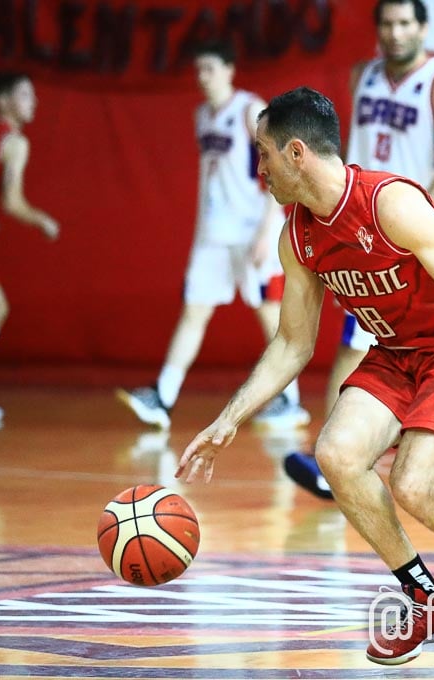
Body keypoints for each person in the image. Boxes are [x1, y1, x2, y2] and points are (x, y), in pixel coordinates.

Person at [177, 86, 434, 675]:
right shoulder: (299, 236)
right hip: (396, 354)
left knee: (415, 484)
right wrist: (227, 421)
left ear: (296, 153)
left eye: (262, 154)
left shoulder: (389, 205)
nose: (256, 168)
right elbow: (292, 342)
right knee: (337, 455)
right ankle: (428, 598)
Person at [284, 0, 434, 502]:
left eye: (405, 23)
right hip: (364, 224)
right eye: (387, 24)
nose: (395, 33)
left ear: (422, 27)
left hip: (413, 227)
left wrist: (417, 211)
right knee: (368, 336)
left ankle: (338, 457)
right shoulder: (364, 75)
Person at [115, 42, 309, 432]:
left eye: (209, 68)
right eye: (198, 69)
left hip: (253, 228)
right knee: (194, 310)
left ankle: (289, 398)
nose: (202, 76)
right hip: (212, 233)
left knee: (268, 310)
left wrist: (269, 226)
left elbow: (280, 170)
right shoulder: (202, 115)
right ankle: (164, 397)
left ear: (229, 69)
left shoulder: (250, 110)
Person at [0, 72, 60, 429]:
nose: (32, 102)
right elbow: (12, 201)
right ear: (3, 100)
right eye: (23, 94)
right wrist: (43, 221)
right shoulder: (14, 142)